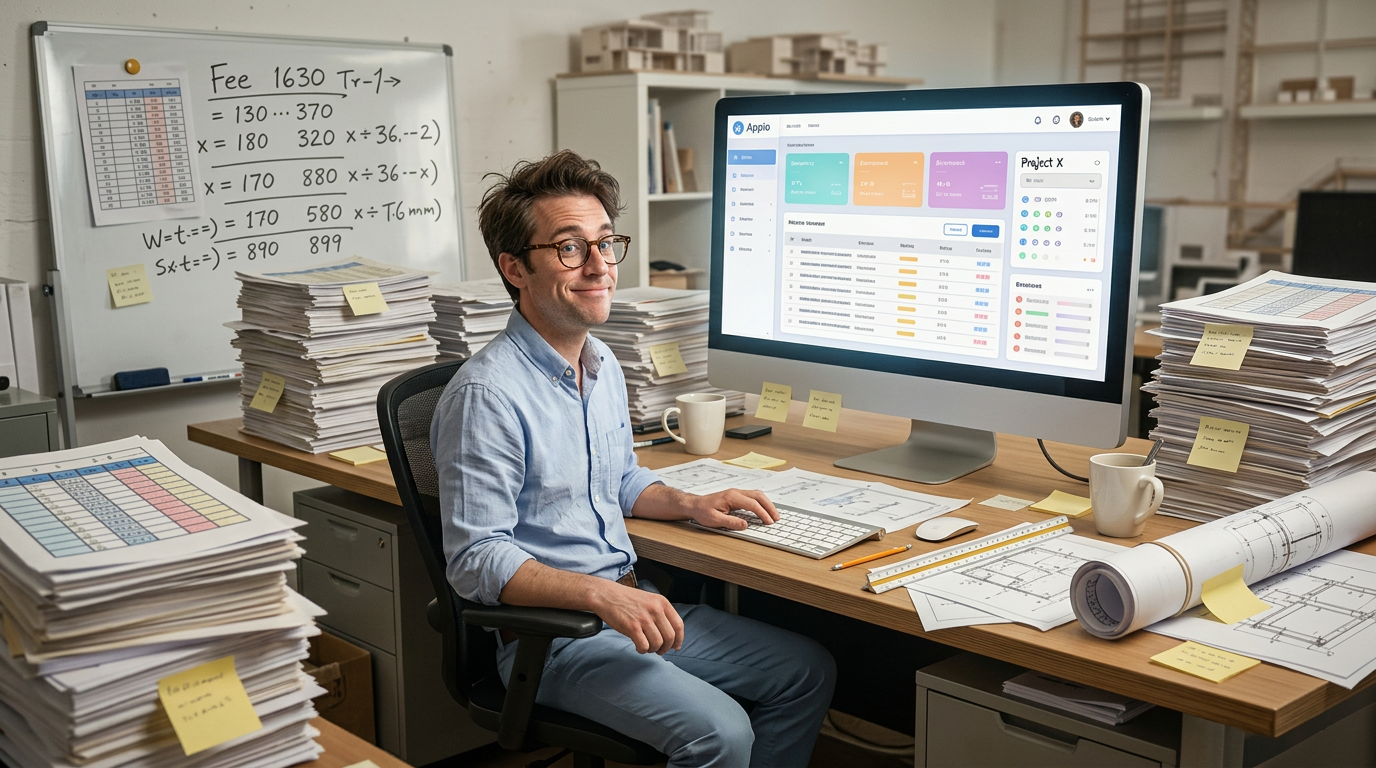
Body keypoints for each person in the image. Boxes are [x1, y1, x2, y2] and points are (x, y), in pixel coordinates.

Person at [432, 149, 836, 767]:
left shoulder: (599, 362)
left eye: (604, 243)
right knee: (720, 733)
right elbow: (475, 558)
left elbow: (617, 481)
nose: (599, 265)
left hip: (634, 606)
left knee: (805, 670)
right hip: (555, 639)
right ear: (515, 268)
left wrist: (690, 504)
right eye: (570, 247)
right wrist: (600, 597)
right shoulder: (487, 396)